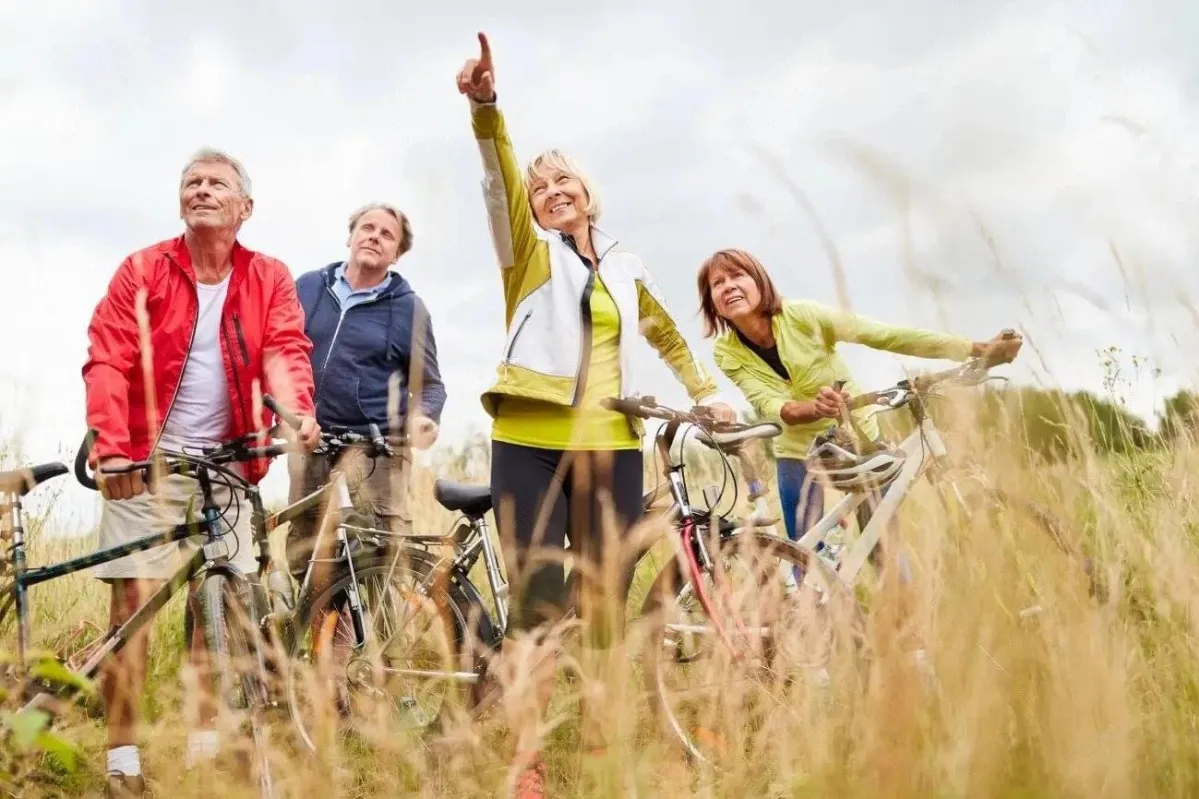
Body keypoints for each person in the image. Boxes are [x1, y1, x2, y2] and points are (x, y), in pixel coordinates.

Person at [456, 32, 736, 797]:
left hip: (613, 445)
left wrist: (704, 391)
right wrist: (487, 111)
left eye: (563, 180)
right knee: (540, 603)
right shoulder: (527, 256)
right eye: (541, 186)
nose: (551, 191)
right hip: (530, 443)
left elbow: (668, 334)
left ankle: (602, 742)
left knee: (605, 604)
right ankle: (527, 760)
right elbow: (498, 184)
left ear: (587, 189)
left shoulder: (627, 264)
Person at [81, 149, 321, 798]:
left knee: (219, 603)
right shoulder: (143, 269)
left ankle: (204, 744)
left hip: (230, 466)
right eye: (192, 182)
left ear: (245, 207)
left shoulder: (268, 276)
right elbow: (108, 358)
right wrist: (113, 448)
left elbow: (285, 350)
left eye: (217, 183)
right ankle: (123, 759)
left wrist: (296, 410)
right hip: (147, 462)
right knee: (132, 609)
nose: (202, 190)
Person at [697, 247, 1023, 553]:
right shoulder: (726, 352)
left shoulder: (803, 315)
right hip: (796, 451)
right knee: (806, 557)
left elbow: (883, 335)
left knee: (883, 553)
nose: (729, 286)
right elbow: (769, 404)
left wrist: (975, 349)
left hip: (857, 440)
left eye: (737, 275)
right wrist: (812, 409)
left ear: (759, 281)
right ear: (712, 302)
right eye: (717, 283)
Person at [288, 202, 446, 577]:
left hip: (377, 451)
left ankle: (373, 619)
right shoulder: (309, 287)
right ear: (351, 237)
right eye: (367, 228)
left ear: (397, 254)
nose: (375, 237)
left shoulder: (409, 309)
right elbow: (283, 352)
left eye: (387, 234)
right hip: (312, 442)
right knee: (307, 559)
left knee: (377, 561)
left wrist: (424, 417)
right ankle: (320, 618)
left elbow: (431, 385)